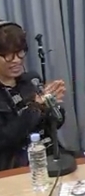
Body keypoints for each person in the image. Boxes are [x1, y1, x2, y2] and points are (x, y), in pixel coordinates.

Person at [0, 20, 66, 171]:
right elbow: (6, 138)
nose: (17, 60)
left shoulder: (31, 80)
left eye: (20, 52)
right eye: (8, 55)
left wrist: (52, 107)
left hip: (50, 153)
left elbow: (53, 125)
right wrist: (35, 108)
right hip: (15, 165)